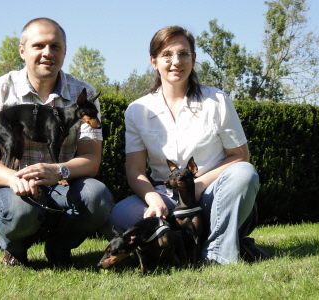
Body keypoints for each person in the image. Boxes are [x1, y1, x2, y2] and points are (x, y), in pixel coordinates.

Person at [104, 26, 259, 265]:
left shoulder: (217, 101)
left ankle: (217, 254)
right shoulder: (137, 110)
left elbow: (239, 156)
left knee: (244, 174)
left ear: (193, 59)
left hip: (211, 195)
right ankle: (179, 248)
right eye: (167, 54)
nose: (176, 61)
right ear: (154, 62)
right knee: (121, 215)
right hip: (165, 196)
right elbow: (135, 171)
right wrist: (153, 199)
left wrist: (197, 186)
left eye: (183, 54)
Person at [0, 17, 113, 268]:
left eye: (55, 46)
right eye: (39, 46)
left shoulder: (85, 94)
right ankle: (15, 250)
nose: (48, 53)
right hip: (11, 186)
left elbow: (91, 159)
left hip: (61, 185)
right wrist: (14, 178)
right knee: (21, 209)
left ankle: (58, 249)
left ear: (65, 52)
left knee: (98, 196)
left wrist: (58, 171)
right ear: (22, 50)